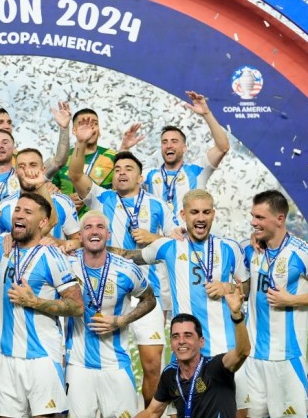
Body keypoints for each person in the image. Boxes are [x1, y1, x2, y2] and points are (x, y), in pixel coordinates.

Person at [113, 189, 252, 414]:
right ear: (183, 214)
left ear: (213, 214)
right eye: (194, 212)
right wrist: (85, 246)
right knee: (181, 411)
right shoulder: (169, 246)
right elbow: (131, 256)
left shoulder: (229, 247)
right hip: (187, 351)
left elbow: (245, 285)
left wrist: (228, 287)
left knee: (237, 412)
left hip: (226, 348)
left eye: (206, 212)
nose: (200, 218)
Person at [69, 137, 178, 406]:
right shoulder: (101, 197)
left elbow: (177, 242)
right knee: (102, 363)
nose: (121, 173)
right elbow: (74, 173)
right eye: (117, 169)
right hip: (106, 294)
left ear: (141, 177)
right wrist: (80, 143)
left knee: (153, 365)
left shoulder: (158, 205)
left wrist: (152, 236)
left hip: (145, 294)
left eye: (128, 169)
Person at [242, 190, 308, 417]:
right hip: (253, 358)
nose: (253, 222)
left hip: (287, 359)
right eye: (253, 216)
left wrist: (292, 300)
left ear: (280, 219)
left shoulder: (303, 253)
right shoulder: (250, 248)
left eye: (260, 218)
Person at [0, 192, 84, 418]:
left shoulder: (53, 256)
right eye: (17, 210)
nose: (19, 215)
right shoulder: (3, 249)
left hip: (42, 356)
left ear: (43, 222)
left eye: (28, 212)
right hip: (6, 356)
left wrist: (35, 302)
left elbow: (77, 306)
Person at [65, 210, 156, 418]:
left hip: (116, 364)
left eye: (100, 227)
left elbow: (150, 300)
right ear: (79, 236)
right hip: (78, 366)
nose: (94, 231)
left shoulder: (127, 270)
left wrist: (121, 320)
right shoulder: (66, 265)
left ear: (108, 234)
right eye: (88, 227)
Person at [136, 283, 250, 417]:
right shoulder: (170, 374)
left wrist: (237, 315)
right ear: (171, 344)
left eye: (188, 335)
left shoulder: (216, 367)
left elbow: (243, 352)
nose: (181, 341)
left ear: (201, 341)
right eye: (175, 336)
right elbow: (152, 412)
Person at [142, 91, 230, 224]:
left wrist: (207, 114)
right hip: (158, 242)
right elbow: (121, 182)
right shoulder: (148, 174)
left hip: (189, 242)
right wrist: (124, 148)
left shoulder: (197, 170)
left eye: (174, 141)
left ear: (184, 147)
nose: (169, 145)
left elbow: (223, 147)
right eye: (164, 142)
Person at [52, 108, 143, 213]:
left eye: (94, 124)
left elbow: (123, 192)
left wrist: (124, 149)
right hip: (66, 225)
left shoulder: (112, 157)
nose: (89, 128)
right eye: (83, 124)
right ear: (74, 130)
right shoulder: (62, 159)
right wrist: (66, 201)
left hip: (101, 224)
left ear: (99, 130)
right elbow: (50, 193)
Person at [0, 148, 80, 244]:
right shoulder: (4, 206)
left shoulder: (63, 202)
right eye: (22, 166)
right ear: (15, 173)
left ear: (43, 170)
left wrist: (57, 242)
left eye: (33, 165)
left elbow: (79, 243)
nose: (28, 170)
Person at [0, 104, 71, 177]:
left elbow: (58, 162)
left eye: (9, 122)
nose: (7, 126)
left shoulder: (25, 160)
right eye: (0, 122)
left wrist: (64, 128)